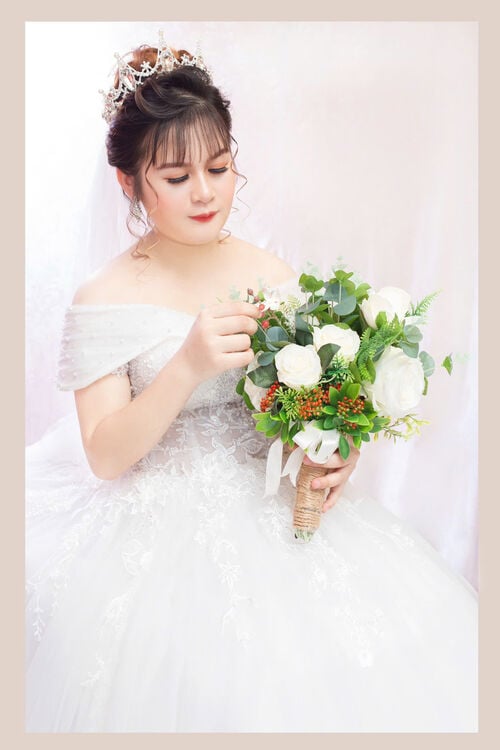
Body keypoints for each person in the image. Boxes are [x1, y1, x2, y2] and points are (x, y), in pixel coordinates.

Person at [25, 35, 478, 733]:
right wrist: (187, 364)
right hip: (153, 531)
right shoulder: (105, 296)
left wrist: (335, 445)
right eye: (176, 177)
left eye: (219, 166)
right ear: (129, 183)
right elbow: (106, 456)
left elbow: (306, 407)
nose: (206, 192)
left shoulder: (271, 275)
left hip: (272, 508)